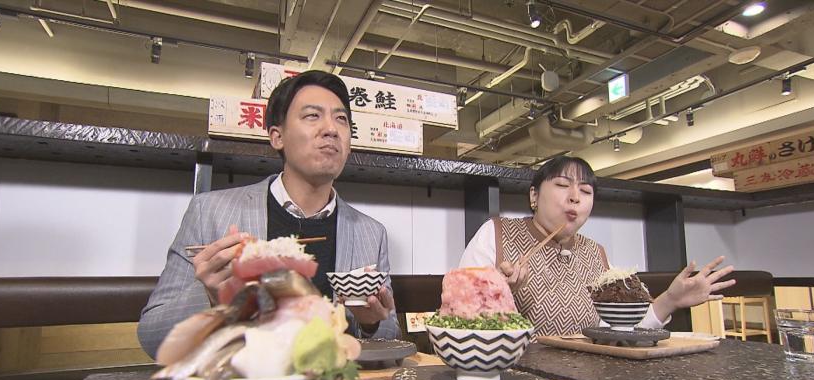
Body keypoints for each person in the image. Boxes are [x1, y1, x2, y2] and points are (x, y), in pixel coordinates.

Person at [138, 70, 400, 359]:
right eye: (312, 116)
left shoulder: (370, 233)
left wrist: (371, 324)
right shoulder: (210, 212)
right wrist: (211, 297)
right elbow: (153, 335)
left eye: (341, 119)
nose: (331, 129)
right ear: (277, 136)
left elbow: (391, 336)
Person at [459, 156, 735, 336]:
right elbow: (461, 319)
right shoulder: (496, 234)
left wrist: (670, 300)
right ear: (534, 195)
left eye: (586, 191)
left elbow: (619, 331)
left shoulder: (596, 253)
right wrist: (501, 294)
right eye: (562, 185)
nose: (575, 197)